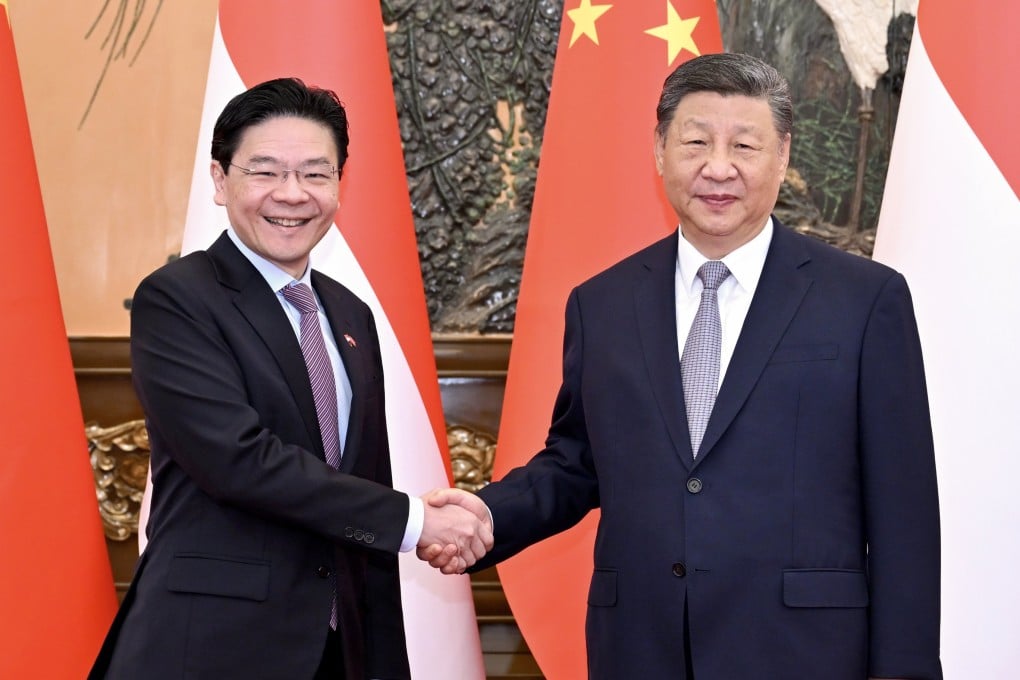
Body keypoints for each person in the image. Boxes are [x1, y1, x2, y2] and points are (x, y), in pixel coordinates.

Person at [423, 53, 941, 679]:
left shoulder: (864, 300)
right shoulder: (603, 303)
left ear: (782, 155)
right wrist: (488, 515)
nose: (717, 167)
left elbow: (904, 516)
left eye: (744, 145)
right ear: (660, 150)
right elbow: (577, 460)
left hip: (804, 653)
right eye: (695, 141)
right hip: (641, 649)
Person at [89, 77, 491, 680]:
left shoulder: (351, 314)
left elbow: (361, 480)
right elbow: (237, 460)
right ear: (221, 181)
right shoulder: (177, 299)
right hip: (214, 646)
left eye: (315, 173)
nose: (292, 194)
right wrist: (415, 521)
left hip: (338, 645)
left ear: (338, 186)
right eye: (266, 172)